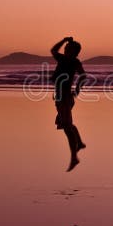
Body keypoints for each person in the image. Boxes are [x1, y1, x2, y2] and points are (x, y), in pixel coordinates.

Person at [51, 36, 86, 171]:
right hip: (62, 97)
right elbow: (83, 76)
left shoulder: (68, 60)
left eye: (67, 48)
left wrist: (76, 90)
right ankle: (80, 143)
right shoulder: (70, 60)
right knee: (67, 124)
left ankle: (74, 157)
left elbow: (54, 50)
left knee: (67, 126)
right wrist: (76, 92)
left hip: (64, 97)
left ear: (73, 51)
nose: (64, 50)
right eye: (65, 49)